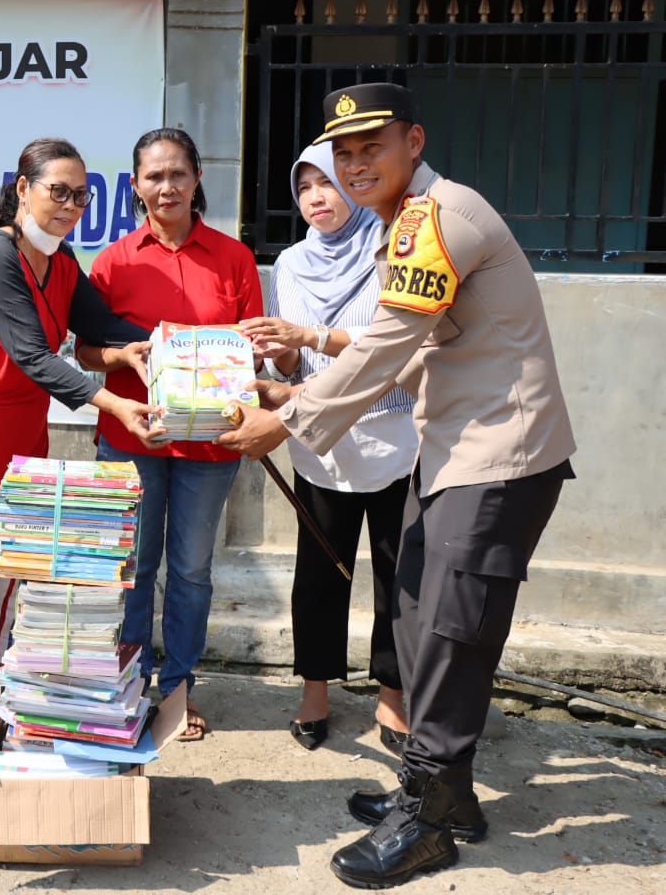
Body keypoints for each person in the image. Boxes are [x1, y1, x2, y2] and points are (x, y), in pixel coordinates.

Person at [218, 82, 576, 888]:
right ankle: (447, 795)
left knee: (446, 632)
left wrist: (294, 420)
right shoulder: (403, 224)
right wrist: (291, 397)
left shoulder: (438, 217)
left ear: (413, 142)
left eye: (370, 147)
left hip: (500, 454)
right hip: (452, 449)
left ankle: (428, 823)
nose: (352, 164)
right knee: (421, 619)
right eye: (340, 152)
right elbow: (410, 354)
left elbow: (388, 343)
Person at [0, 138, 160, 727]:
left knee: (15, 560)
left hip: (21, 427)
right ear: (24, 189)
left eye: (82, 196)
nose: (71, 206)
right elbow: (32, 355)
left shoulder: (64, 262)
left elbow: (106, 327)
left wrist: (178, 345)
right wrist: (114, 406)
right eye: (59, 192)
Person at [76, 127, 264, 743]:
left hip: (211, 447)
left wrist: (243, 370)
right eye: (153, 177)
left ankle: (179, 686)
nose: (166, 187)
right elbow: (85, 354)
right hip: (133, 440)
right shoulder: (113, 261)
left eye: (177, 174)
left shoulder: (232, 258)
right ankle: (127, 683)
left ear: (197, 178)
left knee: (189, 569)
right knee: (130, 567)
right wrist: (125, 356)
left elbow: (252, 351)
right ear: (135, 186)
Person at [237, 142, 416, 754]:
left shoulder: (392, 247)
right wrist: (277, 349)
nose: (318, 197)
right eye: (306, 185)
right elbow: (294, 358)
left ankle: (392, 698)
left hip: (395, 434)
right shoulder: (289, 263)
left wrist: (309, 333)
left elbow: (392, 347)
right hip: (319, 438)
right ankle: (316, 691)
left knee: (399, 574)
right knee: (318, 572)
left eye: (330, 182)